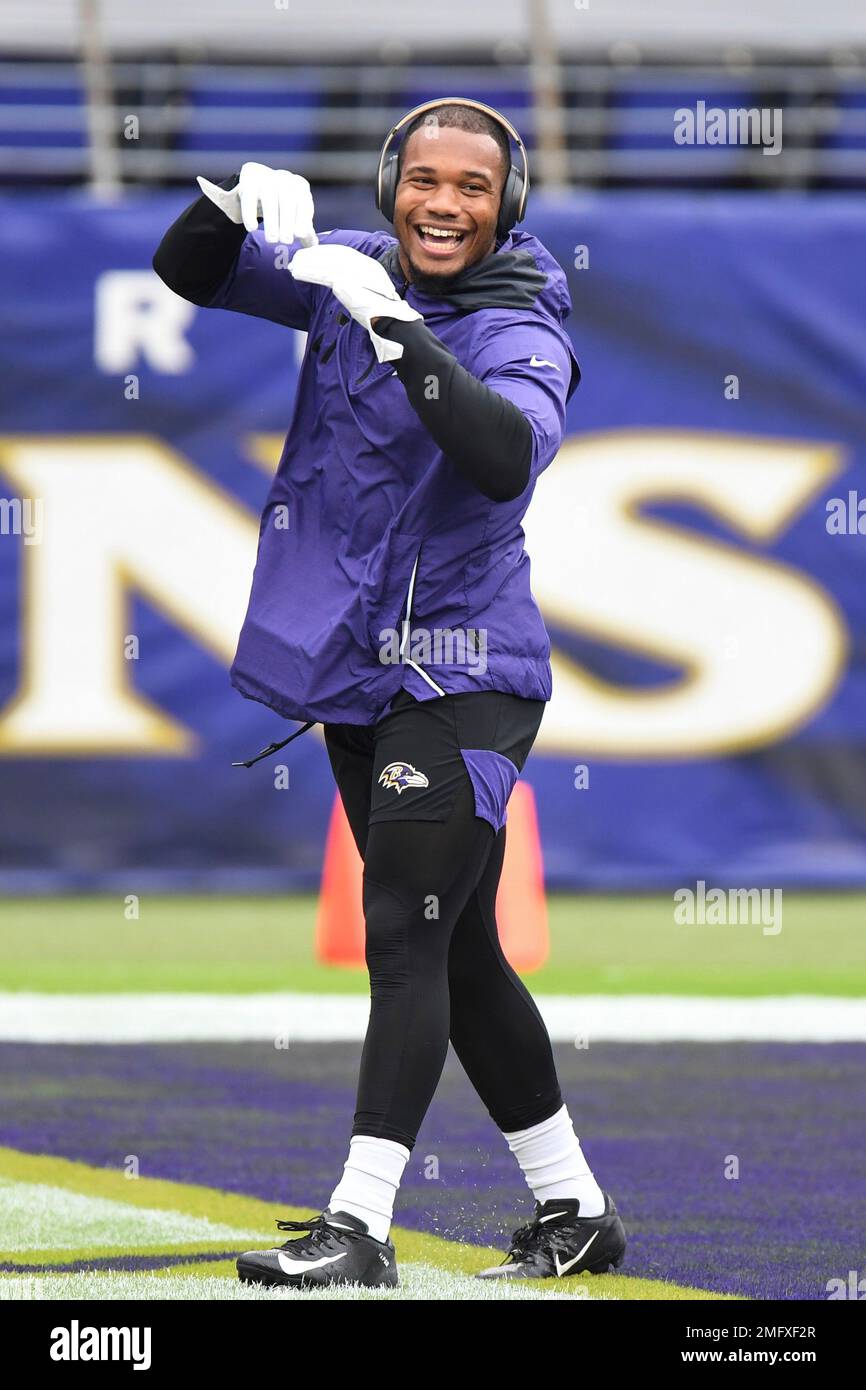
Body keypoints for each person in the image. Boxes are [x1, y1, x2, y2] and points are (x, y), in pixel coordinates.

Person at [153, 98, 626, 1288]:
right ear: (387, 181)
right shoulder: (350, 266)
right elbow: (189, 272)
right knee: (457, 948)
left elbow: (502, 451)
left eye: (472, 185)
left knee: (403, 936)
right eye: (423, 178)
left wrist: (399, 331)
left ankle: (357, 1226)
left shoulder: (524, 323)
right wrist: (220, 208)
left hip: (464, 673)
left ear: (506, 203)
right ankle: (574, 1210)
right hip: (365, 673)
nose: (443, 202)